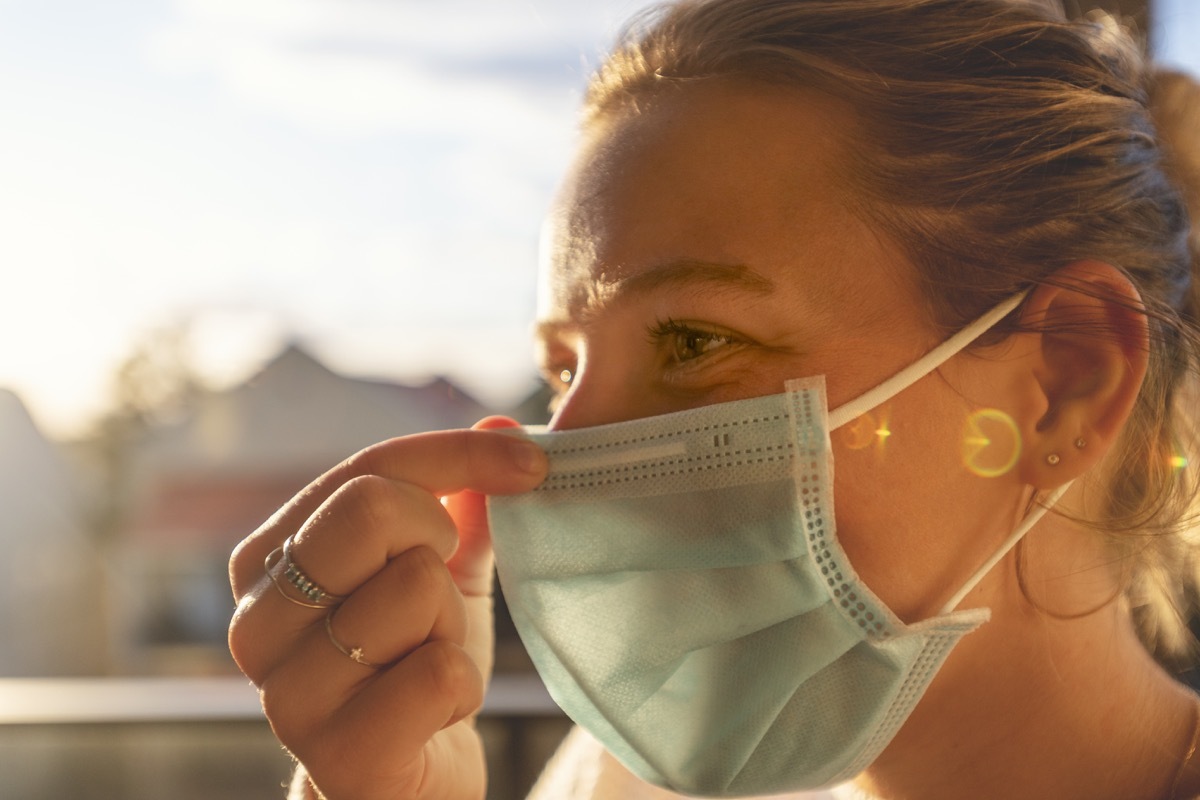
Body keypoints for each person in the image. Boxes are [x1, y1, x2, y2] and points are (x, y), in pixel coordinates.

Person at [227, 0, 1200, 797]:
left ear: (1065, 383)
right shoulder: (607, 785)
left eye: (695, 341)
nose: (562, 472)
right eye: (564, 371)